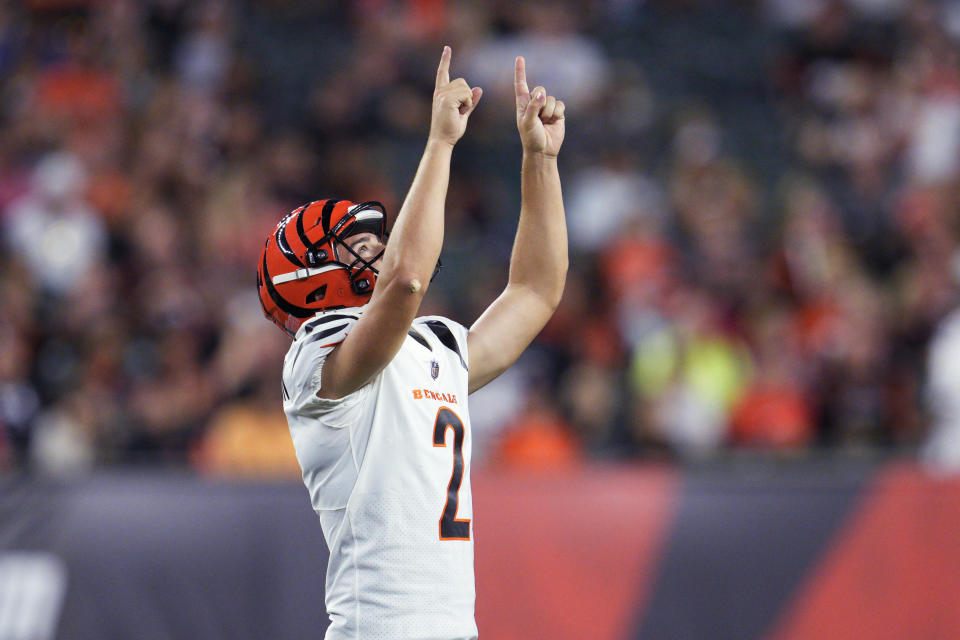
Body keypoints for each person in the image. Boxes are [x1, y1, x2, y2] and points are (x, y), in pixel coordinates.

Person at [257, 47, 567, 639]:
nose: (374, 250)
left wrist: (539, 161)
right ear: (304, 275)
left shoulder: (432, 347)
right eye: (356, 247)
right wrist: (440, 144)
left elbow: (536, 291)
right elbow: (406, 281)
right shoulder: (315, 357)